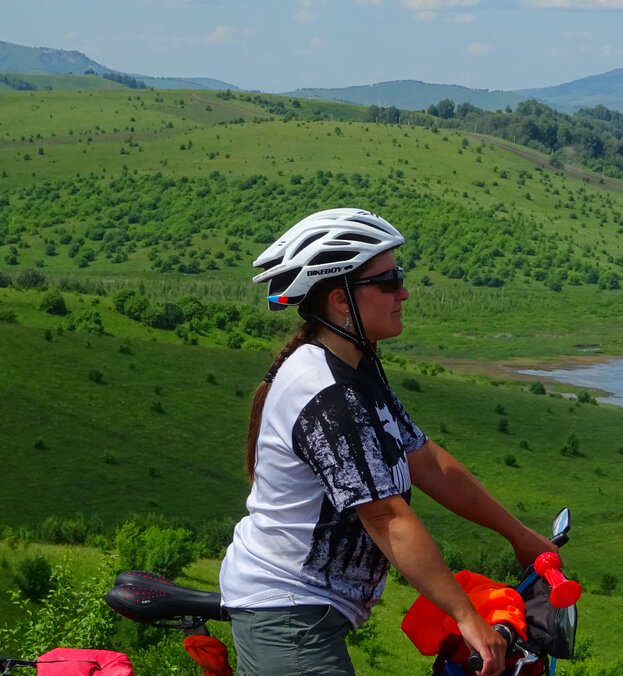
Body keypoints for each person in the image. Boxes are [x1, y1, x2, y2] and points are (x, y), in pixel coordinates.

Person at [219, 208, 555, 676]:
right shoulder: (325, 392)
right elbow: (385, 516)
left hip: (314, 610)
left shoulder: (357, 367)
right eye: (389, 280)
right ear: (341, 298)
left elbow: (426, 461)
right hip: (288, 613)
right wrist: (466, 617)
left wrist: (520, 536)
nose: (403, 292)